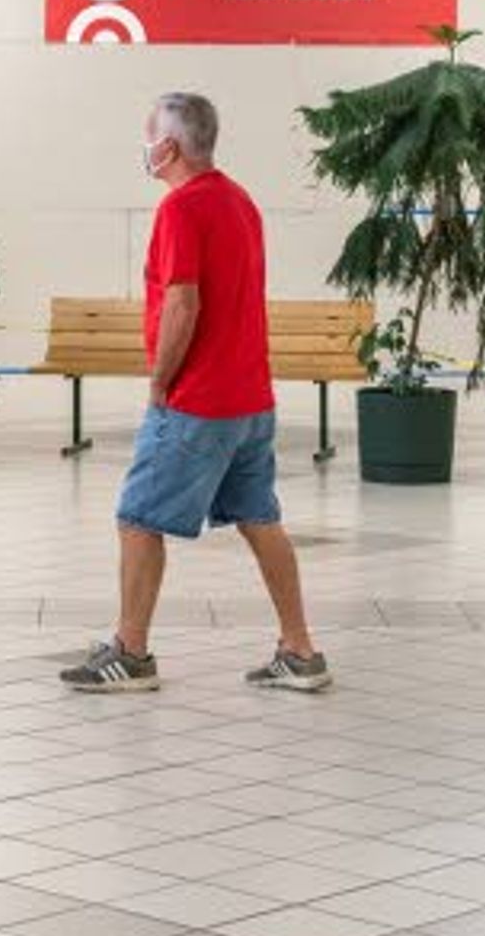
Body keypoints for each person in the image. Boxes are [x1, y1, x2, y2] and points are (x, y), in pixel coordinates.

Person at [59, 92, 331, 693]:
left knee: (137, 517)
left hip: (198, 400)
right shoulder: (240, 202)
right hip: (250, 398)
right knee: (260, 519)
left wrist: (161, 381)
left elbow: (184, 300)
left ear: (170, 146)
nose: (145, 147)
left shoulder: (181, 209)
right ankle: (300, 650)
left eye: (148, 135)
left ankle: (130, 653)